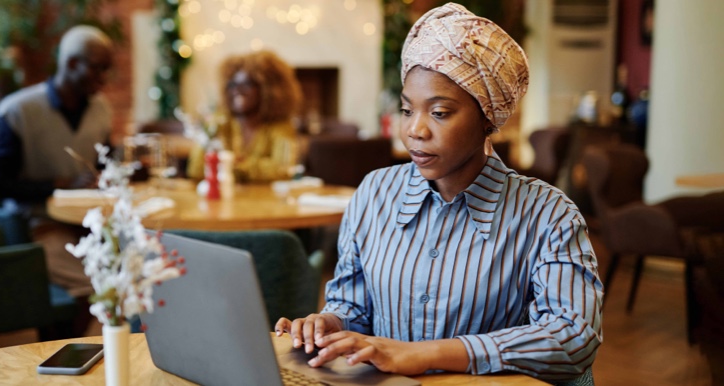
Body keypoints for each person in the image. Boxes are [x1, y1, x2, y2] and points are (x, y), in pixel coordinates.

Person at [275, 3, 603, 383]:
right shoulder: (375, 193)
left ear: (487, 117)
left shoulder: (549, 215)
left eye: (440, 112)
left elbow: (573, 336)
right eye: (406, 110)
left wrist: (423, 355)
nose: (416, 130)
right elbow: (353, 305)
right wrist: (327, 323)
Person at [0, 25, 113, 301]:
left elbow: (106, 161)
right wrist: (62, 185)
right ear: (71, 63)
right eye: (97, 68)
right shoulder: (19, 111)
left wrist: (113, 173)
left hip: (92, 225)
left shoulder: (100, 108)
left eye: (107, 69)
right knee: (110, 290)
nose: (104, 79)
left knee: (138, 273)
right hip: (40, 228)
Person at [186, 50, 302, 183]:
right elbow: (195, 169)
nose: (237, 91)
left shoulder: (281, 126)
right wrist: (253, 166)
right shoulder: (219, 121)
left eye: (246, 84)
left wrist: (232, 164)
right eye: (232, 84)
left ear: (267, 89)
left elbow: (283, 170)